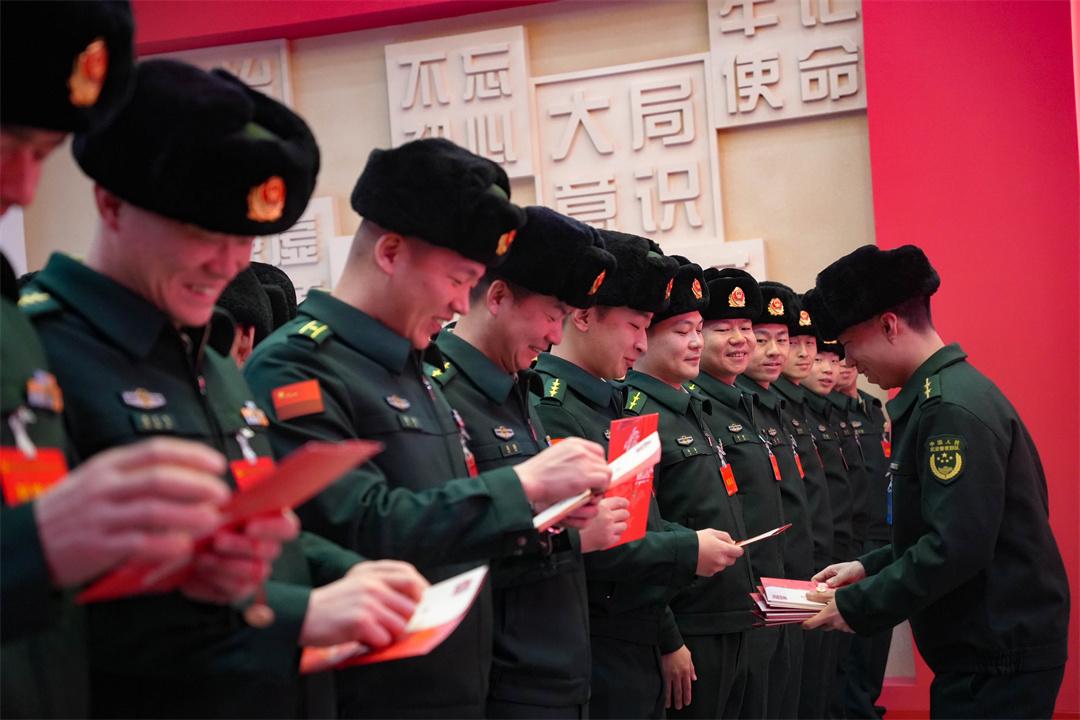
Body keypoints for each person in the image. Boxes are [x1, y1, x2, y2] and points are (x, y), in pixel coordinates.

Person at [23, 58, 427, 718]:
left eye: (247, 238)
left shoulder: (211, 362)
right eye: (204, 233)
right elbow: (44, 610)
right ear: (111, 203)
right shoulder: (37, 353)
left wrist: (342, 570)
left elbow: (250, 538)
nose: (231, 263)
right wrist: (296, 615)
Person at [244, 138, 613, 718]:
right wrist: (522, 488)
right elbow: (352, 526)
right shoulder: (299, 368)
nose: (463, 304)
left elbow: (445, 524)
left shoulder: (414, 368)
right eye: (458, 279)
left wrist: (542, 520)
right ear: (391, 252)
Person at [0, 5, 231, 717]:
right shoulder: (48, 331)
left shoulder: (11, 327)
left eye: (42, 154)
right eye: (9, 143)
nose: (23, 190)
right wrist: (32, 546)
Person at [804, 244, 1070, 718]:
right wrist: (868, 567)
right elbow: (945, 525)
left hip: (996, 655)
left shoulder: (949, 410)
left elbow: (956, 545)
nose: (849, 362)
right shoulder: (943, 395)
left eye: (848, 344)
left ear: (889, 325)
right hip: (989, 645)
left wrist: (859, 605)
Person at [532, 232, 743, 719]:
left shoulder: (611, 404)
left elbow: (642, 516)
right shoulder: (553, 408)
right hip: (597, 644)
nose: (642, 344)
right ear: (584, 316)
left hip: (638, 636)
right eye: (634, 326)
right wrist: (687, 550)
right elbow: (590, 542)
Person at [430, 205, 620, 718]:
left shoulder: (517, 388)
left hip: (558, 673)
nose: (557, 335)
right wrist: (571, 537)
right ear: (497, 298)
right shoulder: (442, 395)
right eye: (553, 314)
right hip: (502, 684)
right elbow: (445, 546)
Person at [620, 257, 756, 719]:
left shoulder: (692, 407)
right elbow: (637, 535)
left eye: (699, 329)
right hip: (688, 625)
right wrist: (668, 637)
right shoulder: (635, 416)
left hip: (729, 614)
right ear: (644, 337)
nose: (696, 342)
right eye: (682, 331)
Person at [689, 267, 799, 719]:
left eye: (745, 327)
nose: (740, 340)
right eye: (722, 329)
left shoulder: (742, 403)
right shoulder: (696, 408)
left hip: (774, 599)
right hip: (730, 609)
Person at [738, 282, 832, 718]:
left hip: (801, 581)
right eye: (763, 339)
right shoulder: (739, 405)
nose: (777, 350)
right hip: (758, 596)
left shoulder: (775, 404)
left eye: (784, 339)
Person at [831, 349, 893, 719]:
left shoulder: (872, 407)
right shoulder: (826, 412)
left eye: (842, 359)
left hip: (883, 535)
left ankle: (866, 706)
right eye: (827, 359)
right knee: (848, 647)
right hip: (852, 539)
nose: (838, 368)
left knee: (875, 642)